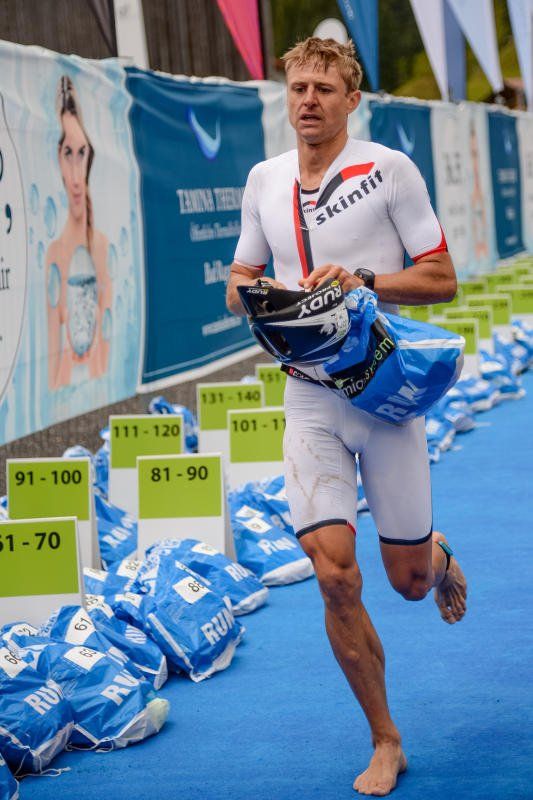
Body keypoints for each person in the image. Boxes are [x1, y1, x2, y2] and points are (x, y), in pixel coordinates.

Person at [226, 38, 467, 797]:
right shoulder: (263, 180)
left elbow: (443, 279)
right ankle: (385, 738)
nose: (308, 100)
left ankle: (435, 555)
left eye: (324, 89)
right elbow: (239, 278)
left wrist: (362, 281)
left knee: (406, 582)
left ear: (351, 100)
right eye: (298, 87)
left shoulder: (388, 170)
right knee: (334, 575)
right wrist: (262, 300)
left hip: (381, 394)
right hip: (309, 397)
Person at [46, 75, 112, 389]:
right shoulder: (55, 256)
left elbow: (104, 368)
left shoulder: (100, 247)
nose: (75, 176)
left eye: (81, 153)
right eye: (67, 154)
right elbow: (54, 375)